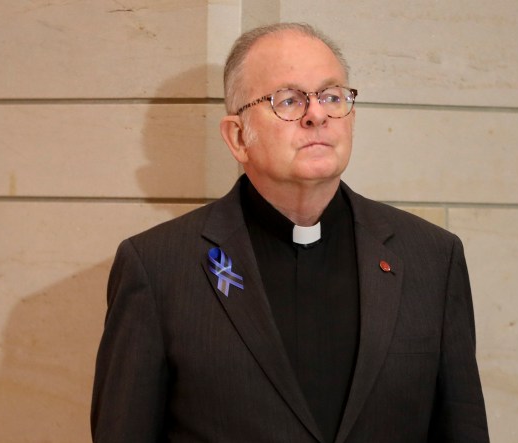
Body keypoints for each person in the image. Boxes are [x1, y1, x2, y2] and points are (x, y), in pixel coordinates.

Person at [91, 22, 489, 442]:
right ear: (238, 136)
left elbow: (461, 427)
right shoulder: (158, 268)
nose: (317, 114)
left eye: (332, 96)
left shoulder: (431, 257)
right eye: (289, 100)